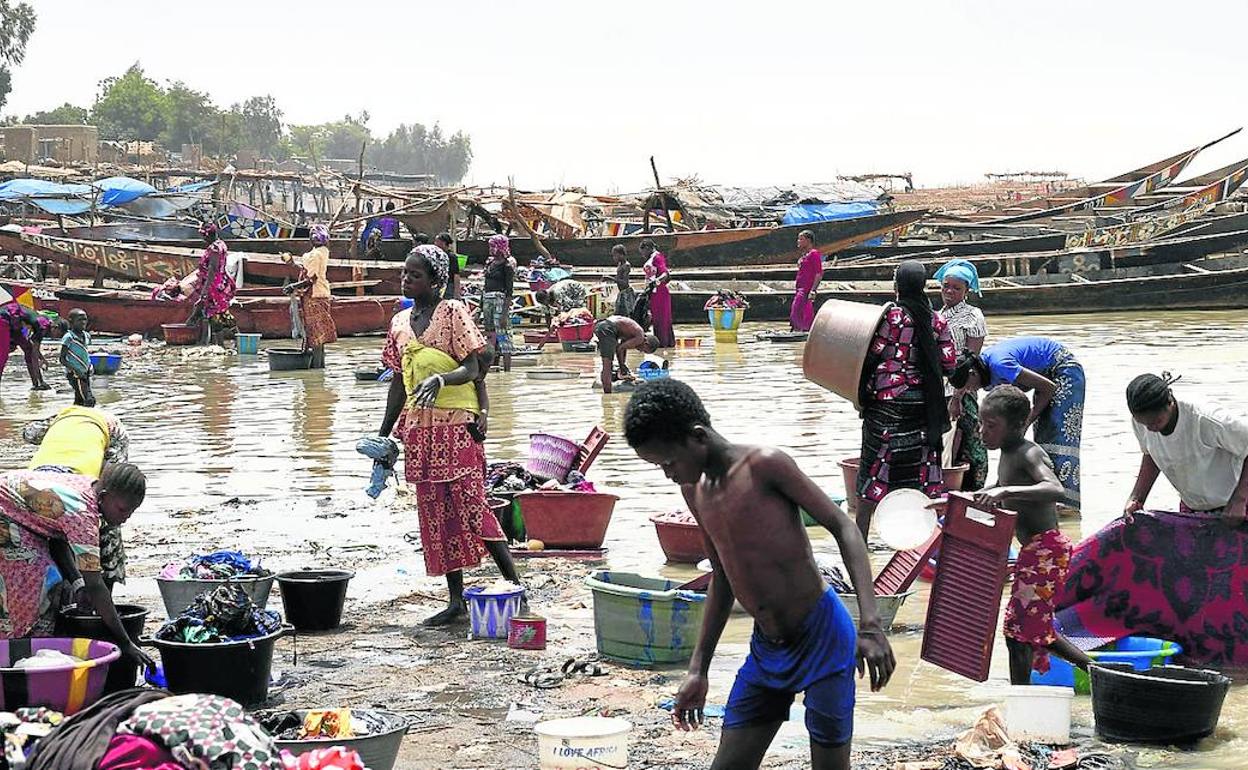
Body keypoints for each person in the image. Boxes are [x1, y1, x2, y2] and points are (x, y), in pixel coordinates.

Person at [624, 379, 894, 770]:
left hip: (823, 636)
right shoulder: (695, 490)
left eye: (668, 463)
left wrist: (870, 625)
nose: (668, 474)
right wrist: (697, 670)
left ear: (697, 437)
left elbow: (843, 527)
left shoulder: (765, 465)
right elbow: (722, 576)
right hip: (768, 647)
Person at [1054, 372, 1248, 668]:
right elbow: (1151, 454)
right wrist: (1137, 498)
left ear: (1170, 402)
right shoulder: (1143, 422)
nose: (1151, 428)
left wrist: (1240, 499)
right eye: (1145, 423)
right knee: (1199, 593)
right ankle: (1201, 653)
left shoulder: (1207, 420)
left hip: (1237, 510)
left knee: (1238, 592)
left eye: (1156, 421)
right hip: (1196, 512)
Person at [376, 244, 525, 626]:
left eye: (415, 274)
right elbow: (398, 382)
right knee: (435, 515)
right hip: (419, 430)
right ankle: (456, 599)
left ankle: (515, 587)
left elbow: (474, 367)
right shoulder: (399, 323)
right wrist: (383, 437)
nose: (406, 279)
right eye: (405, 273)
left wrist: (442, 379)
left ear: (436, 279)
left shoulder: (452, 312)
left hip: (457, 424)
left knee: (473, 507)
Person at [973, 386, 1092, 684]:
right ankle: (1102, 672)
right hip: (1035, 552)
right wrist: (957, 498)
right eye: (980, 423)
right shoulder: (1007, 453)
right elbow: (995, 488)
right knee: (1030, 631)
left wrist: (1007, 490)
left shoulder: (1028, 452)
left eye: (991, 426)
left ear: (1017, 426)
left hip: (1046, 552)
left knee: (1020, 633)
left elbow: (1054, 488)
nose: (982, 432)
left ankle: (1023, 700)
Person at [0, 464, 154, 672]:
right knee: (34, 583)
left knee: (51, 579)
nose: (126, 517)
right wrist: (125, 643)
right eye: (122, 509)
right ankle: (18, 650)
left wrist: (76, 581)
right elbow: (97, 585)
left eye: (132, 511)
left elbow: (57, 537)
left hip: (18, 515)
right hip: (6, 514)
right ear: (104, 497)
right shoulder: (82, 513)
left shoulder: (89, 486)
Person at [854, 261, 956, 539]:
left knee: (873, 470)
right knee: (920, 471)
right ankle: (929, 547)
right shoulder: (938, 321)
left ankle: (859, 547)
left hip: (888, 404)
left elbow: (871, 352)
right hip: (925, 406)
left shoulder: (893, 317)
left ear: (898, 286)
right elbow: (949, 365)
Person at [949, 336, 1084, 511]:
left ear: (973, 374)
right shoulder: (978, 369)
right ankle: (1039, 500)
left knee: (1058, 433)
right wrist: (956, 400)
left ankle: (1066, 505)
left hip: (1063, 370)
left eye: (968, 386)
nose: (969, 390)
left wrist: (1027, 421)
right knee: (1042, 437)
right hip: (1043, 377)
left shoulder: (999, 365)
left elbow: (1049, 388)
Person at [24, 406, 131, 591]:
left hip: (110, 430)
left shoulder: (62, 416)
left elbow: (28, 433)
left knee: (107, 513)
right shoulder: (61, 417)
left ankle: (109, 579)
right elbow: (28, 433)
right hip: (56, 461)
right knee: (45, 537)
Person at [934, 258, 989, 490]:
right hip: (939, 388)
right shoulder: (938, 315)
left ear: (967, 290)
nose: (949, 291)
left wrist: (957, 397)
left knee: (971, 440)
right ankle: (948, 488)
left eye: (956, 288)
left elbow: (970, 361)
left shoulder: (972, 315)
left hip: (961, 389)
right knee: (945, 441)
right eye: (946, 286)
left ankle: (976, 488)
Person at [283, 224, 338, 369]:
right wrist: (293, 263)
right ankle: (319, 371)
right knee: (319, 337)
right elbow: (308, 271)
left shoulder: (314, 255)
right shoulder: (323, 252)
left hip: (314, 296)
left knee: (316, 337)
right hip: (322, 294)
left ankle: (316, 369)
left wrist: (292, 286)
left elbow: (311, 279)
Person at [187, 222, 237, 345]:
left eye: (204, 236)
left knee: (215, 315)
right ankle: (238, 340)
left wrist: (204, 292)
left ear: (209, 235)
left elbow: (212, 270)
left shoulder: (214, 249)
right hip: (220, 283)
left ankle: (221, 346)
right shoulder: (221, 244)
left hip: (213, 286)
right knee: (222, 313)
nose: (203, 239)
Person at [593, 315, 659, 394]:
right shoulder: (640, 337)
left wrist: (623, 366)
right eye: (643, 350)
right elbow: (620, 348)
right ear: (646, 343)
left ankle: (607, 391)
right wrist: (622, 365)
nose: (640, 351)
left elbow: (622, 348)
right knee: (607, 366)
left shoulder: (634, 332)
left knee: (608, 365)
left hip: (602, 324)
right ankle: (607, 397)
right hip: (607, 329)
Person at [481, 234, 516, 373]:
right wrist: (480, 307)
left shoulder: (507, 266)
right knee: (490, 335)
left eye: (493, 246)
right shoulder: (489, 263)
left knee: (503, 335)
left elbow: (509, 291)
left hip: (500, 302)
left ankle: (507, 370)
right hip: (487, 301)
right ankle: (491, 366)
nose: (490, 249)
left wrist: (504, 314)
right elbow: (485, 286)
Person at [0, 300, 51, 390]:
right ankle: (39, 383)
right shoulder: (43, 326)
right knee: (2, 356)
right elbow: (34, 357)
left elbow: (32, 349)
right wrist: (42, 381)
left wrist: (42, 359)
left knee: (28, 349)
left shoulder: (39, 321)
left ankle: (35, 384)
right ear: (55, 328)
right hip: (4, 319)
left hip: (13, 323)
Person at [640, 238, 674, 347]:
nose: (642, 255)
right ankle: (665, 343)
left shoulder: (657, 257)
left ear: (648, 248)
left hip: (659, 292)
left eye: (643, 252)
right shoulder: (652, 257)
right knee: (658, 318)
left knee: (661, 318)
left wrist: (656, 282)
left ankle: (662, 343)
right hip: (654, 292)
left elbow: (665, 273)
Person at [60, 308, 94, 407]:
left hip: (85, 372)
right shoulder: (69, 337)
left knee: (79, 398)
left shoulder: (87, 336)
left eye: (85, 319)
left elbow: (84, 353)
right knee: (88, 399)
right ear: (71, 321)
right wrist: (75, 370)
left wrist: (90, 366)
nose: (83, 322)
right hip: (75, 373)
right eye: (79, 320)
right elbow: (62, 359)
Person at [790, 230, 822, 333]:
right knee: (799, 312)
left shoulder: (814, 254)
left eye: (801, 239)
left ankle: (803, 331)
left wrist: (813, 290)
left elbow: (819, 273)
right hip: (799, 288)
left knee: (798, 311)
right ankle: (798, 330)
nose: (798, 241)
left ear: (808, 241)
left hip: (806, 289)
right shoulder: (805, 255)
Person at [612, 244, 637, 316]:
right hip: (621, 292)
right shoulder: (620, 264)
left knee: (626, 314)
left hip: (626, 293)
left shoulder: (626, 265)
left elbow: (625, 283)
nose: (614, 257)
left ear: (621, 254)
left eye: (615, 255)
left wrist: (613, 279)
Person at [435, 232, 460, 300]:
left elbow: (456, 274)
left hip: (448, 286)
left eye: (437, 241)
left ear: (444, 243)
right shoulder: (434, 255)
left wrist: (457, 292)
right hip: (436, 284)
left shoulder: (451, 257)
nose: (435, 244)